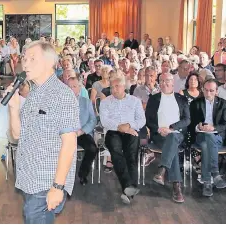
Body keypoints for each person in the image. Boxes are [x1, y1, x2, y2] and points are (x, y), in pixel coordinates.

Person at [6, 41, 79, 224]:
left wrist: (57, 187)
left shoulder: (62, 95)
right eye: (24, 59)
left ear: (49, 62)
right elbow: (17, 135)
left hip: (47, 181)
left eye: (32, 59)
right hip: (29, 177)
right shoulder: (32, 94)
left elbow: (70, 144)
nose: (26, 64)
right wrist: (14, 109)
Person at [99, 73, 145, 204]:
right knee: (116, 152)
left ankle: (128, 190)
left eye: (117, 86)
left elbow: (142, 120)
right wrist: (120, 127)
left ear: (124, 86)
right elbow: (104, 121)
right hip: (113, 132)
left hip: (131, 131)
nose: (114, 89)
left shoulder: (135, 101)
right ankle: (129, 186)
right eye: (112, 87)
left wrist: (129, 126)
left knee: (131, 156)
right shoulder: (105, 102)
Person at [146, 73, 190, 203]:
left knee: (173, 138)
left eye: (167, 80)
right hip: (159, 135)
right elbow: (148, 119)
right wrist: (159, 129)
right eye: (161, 81)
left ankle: (162, 169)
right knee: (173, 147)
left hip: (177, 133)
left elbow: (187, 119)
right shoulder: (154, 99)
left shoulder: (181, 99)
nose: (164, 83)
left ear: (173, 83)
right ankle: (176, 186)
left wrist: (171, 128)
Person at [189, 79, 226, 196]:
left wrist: (213, 128)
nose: (208, 93)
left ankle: (207, 182)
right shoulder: (196, 103)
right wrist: (198, 126)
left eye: (211, 91)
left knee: (206, 144)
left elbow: (225, 124)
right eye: (206, 90)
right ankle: (215, 173)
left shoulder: (223, 104)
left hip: (217, 136)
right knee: (206, 140)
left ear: (216, 91)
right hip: (200, 135)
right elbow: (190, 123)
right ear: (202, 90)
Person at [67, 76, 97, 185]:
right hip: (66, 133)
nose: (71, 89)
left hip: (82, 132)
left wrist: (82, 131)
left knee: (92, 149)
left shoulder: (86, 102)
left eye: (74, 86)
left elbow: (93, 120)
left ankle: (82, 174)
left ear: (79, 88)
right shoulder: (61, 102)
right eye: (69, 87)